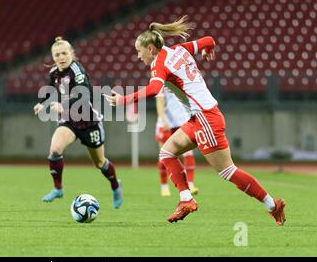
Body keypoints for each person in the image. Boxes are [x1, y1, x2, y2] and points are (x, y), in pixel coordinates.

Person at [104, 16, 286, 225]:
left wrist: (124, 100)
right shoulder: (180, 49)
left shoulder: (159, 63)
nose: (138, 56)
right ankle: (186, 199)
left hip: (205, 118)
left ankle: (273, 205)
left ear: (151, 49)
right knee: (167, 152)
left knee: (227, 171)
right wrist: (208, 49)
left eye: (139, 51)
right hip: (198, 118)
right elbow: (208, 40)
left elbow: (155, 89)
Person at [33, 37, 123, 209]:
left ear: (71, 54)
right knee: (55, 150)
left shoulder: (77, 70)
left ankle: (115, 186)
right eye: (57, 54)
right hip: (69, 121)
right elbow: (50, 89)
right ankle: (58, 189)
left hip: (89, 122)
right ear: (53, 57)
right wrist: (41, 103)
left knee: (99, 163)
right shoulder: (54, 72)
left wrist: (63, 105)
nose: (61, 57)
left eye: (65, 53)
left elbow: (84, 95)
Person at [155, 85, 198, 196]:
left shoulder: (179, 76)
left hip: (182, 120)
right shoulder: (160, 80)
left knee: (188, 152)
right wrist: (163, 120)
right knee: (163, 154)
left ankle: (191, 184)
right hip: (166, 123)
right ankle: (164, 187)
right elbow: (159, 101)